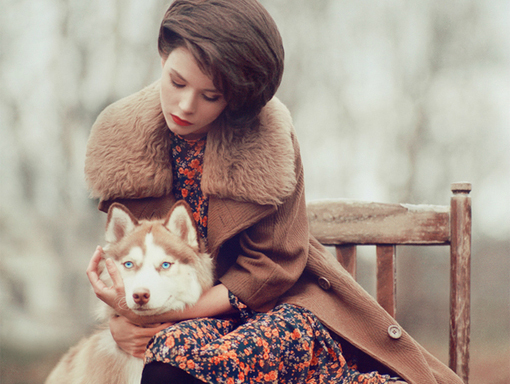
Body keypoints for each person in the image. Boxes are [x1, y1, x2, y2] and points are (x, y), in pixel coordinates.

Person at [84, 1, 463, 383]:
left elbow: (270, 269)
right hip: (192, 317)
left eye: (210, 95)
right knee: (169, 360)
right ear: (163, 56)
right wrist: (123, 321)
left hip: (280, 307)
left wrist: (159, 315)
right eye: (176, 82)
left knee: (186, 352)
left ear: (236, 97)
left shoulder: (268, 140)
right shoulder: (124, 139)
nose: (185, 105)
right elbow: (133, 260)